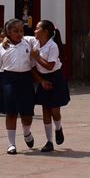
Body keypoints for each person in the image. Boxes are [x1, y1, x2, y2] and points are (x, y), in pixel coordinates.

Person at [0, 19, 46, 155]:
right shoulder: (2, 47)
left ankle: (27, 133)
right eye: (15, 31)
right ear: (8, 32)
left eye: (21, 30)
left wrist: (40, 80)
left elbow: (40, 42)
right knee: (11, 112)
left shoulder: (28, 42)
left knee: (27, 114)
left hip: (26, 79)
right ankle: (11, 144)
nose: (19, 33)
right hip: (8, 80)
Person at [31, 20, 70, 152]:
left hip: (55, 77)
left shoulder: (52, 46)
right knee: (45, 110)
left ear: (45, 32)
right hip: (43, 78)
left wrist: (36, 57)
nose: (34, 31)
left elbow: (50, 66)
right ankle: (49, 141)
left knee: (54, 110)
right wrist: (41, 80)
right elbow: (19, 39)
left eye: (37, 28)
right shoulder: (35, 43)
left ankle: (58, 128)